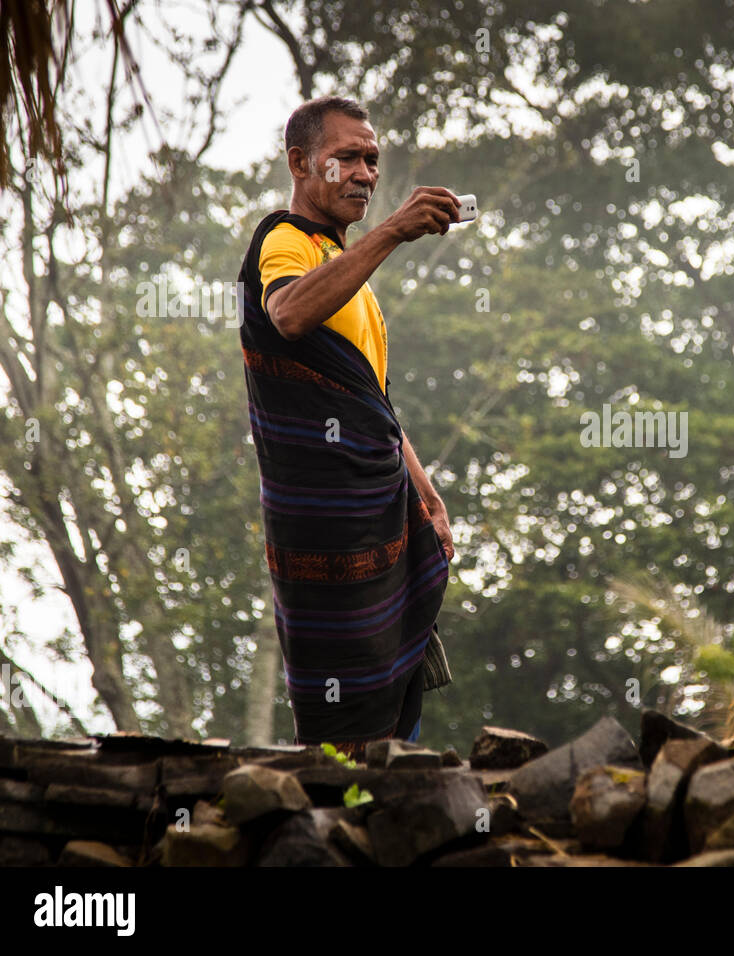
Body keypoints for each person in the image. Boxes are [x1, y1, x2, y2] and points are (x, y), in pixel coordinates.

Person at [236, 95, 461, 759]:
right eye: (347, 159)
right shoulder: (284, 240)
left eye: (372, 160)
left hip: (379, 502)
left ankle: (387, 798)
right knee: (347, 673)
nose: (365, 172)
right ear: (301, 163)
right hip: (327, 512)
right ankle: (343, 808)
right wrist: (391, 232)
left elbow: (374, 404)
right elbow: (288, 315)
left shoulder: (350, 277)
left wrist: (426, 495)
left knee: (393, 661)